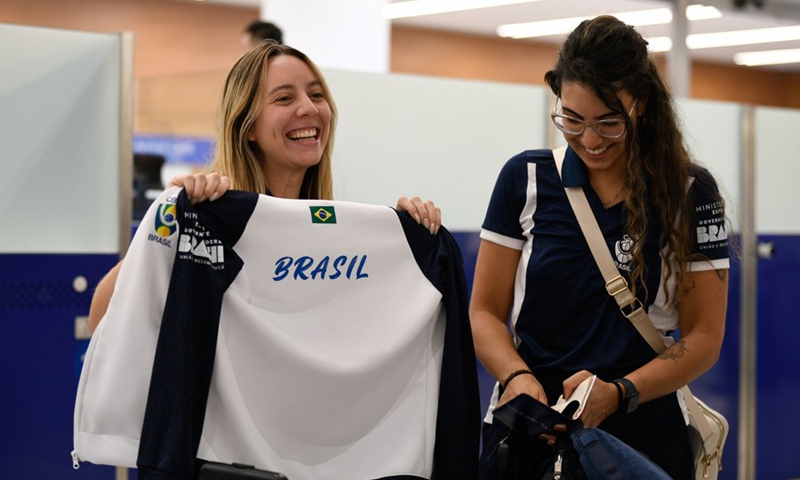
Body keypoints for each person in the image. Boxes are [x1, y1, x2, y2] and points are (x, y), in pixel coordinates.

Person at [470, 15, 729, 480]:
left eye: (609, 123)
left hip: (641, 427)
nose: (589, 140)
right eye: (572, 119)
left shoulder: (689, 192)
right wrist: (516, 376)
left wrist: (621, 391)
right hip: (534, 421)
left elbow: (704, 338)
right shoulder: (525, 180)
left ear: (642, 105)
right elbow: (485, 311)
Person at [88, 41, 441, 333]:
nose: (308, 108)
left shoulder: (332, 232)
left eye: (316, 95)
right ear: (248, 126)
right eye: (284, 99)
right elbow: (102, 313)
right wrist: (172, 225)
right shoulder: (212, 225)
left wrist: (408, 236)